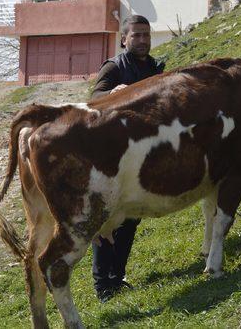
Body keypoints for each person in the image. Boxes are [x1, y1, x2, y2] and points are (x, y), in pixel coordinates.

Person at [89, 15, 165, 302]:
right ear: (124, 39)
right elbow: (95, 97)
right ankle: (102, 286)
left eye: (146, 35)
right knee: (109, 216)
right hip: (115, 155)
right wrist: (112, 92)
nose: (143, 40)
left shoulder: (156, 68)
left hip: (144, 153)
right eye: (137, 36)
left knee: (132, 216)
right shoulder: (114, 66)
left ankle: (117, 277)